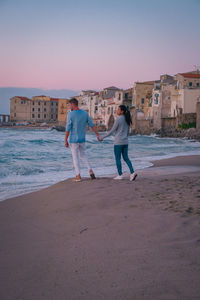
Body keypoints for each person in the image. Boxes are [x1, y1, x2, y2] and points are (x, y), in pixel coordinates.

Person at [65, 98, 101, 182]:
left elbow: (68, 128)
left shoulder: (70, 114)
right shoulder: (85, 114)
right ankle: (90, 170)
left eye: (70, 105)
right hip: (82, 139)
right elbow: (92, 125)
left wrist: (65, 140)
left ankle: (78, 175)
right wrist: (97, 134)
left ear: (73, 104)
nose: (69, 106)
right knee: (83, 155)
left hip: (74, 140)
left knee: (75, 157)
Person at [100, 105, 137, 181]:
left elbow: (112, 131)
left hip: (118, 142)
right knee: (126, 158)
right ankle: (132, 173)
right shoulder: (127, 119)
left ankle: (120, 175)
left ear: (122, 111)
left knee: (118, 159)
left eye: (118, 109)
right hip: (125, 142)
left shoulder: (118, 119)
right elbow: (127, 132)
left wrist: (102, 137)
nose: (117, 111)